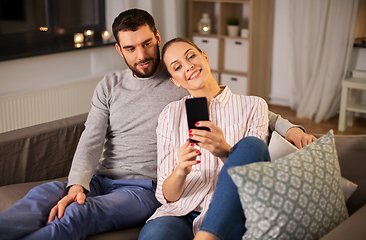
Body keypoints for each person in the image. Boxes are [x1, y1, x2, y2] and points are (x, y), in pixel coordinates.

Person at [0, 8, 314, 240]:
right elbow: (91, 138)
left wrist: (289, 127)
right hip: (103, 178)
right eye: (132, 49)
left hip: (142, 188)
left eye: (148, 44)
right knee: (41, 198)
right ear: (119, 50)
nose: (143, 55)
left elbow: (238, 107)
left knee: (77, 213)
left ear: (157, 38)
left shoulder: (178, 78)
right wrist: (77, 185)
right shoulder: (111, 86)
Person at [138, 37, 271, 240]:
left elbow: (255, 173)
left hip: (233, 214)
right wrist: (181, 169)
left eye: (191, 56)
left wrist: (225, 151)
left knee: (251, 145)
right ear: (175, 80)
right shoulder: (170, 114)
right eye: (177, 67)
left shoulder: (254, 106)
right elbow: (166, 195)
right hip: (180, 213)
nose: (189, 66)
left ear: (205, 57)